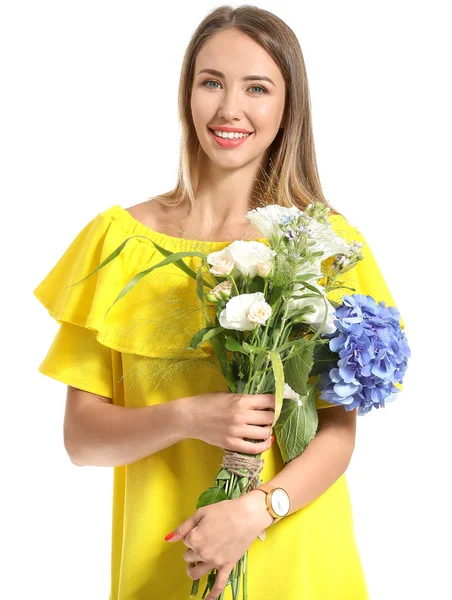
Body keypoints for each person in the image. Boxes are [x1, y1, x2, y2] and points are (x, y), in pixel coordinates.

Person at [34, 6, 405, 599]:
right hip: (165, 566)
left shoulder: (327, 247)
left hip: (297, 561)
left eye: (257, 88)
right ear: (188, 95)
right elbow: (82, 439)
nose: (230, 109)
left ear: (288, 106)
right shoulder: (120, 243)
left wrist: (256, 510)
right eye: (212, 83)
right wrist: (191, 417)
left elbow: (338, 433)